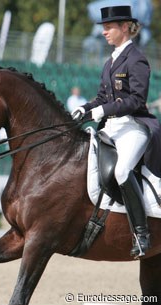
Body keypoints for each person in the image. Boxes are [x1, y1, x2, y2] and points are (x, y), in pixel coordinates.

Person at [72, 5, 161, 258]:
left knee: (122, 170)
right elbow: (101, 97)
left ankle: (142, 234)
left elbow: (135, 100)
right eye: (103, 27)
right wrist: (84, 108)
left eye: (109, 27)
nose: (104, 32)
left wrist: (101, 112)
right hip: (111, 127)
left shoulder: (137, 59)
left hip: (134, 126)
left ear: (125, 27)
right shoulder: (110, 61)